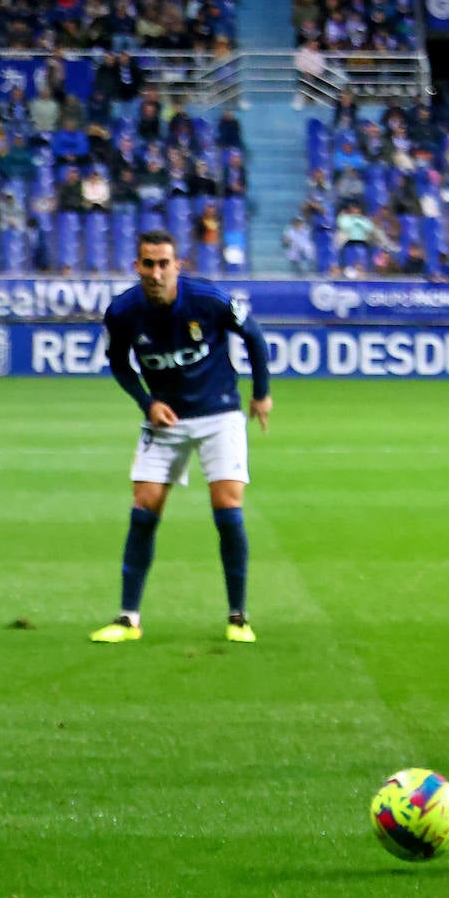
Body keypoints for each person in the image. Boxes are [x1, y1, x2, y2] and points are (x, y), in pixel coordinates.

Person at [90, 230, 272, 645]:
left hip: (219, 413)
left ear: (177, 265)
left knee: (227, 503)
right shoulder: (122, 312)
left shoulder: (208, 299)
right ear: (136, 266)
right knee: (145, 503)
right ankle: (127, 619)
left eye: (163, 264)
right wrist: (146, 403)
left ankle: (238, 617)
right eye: (148, 264)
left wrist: (261, 393)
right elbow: (118, 364)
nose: (156, 272)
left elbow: (255, 337)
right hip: (165, 419)